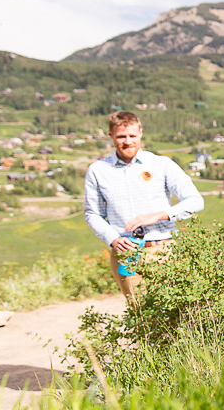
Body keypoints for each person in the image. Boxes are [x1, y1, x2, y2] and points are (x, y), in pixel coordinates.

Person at [84, 111, 204, 302]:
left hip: (164, 250)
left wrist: (159, 215)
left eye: (132, 135)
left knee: (174, 312)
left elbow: (195, 201)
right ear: (111, 136)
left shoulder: (161, 164)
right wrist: (113, 239)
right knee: (139, 314)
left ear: (140, 133)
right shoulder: (98, 171)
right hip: (126, 254)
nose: (127, 141)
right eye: (121, 136)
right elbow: (92, 214)